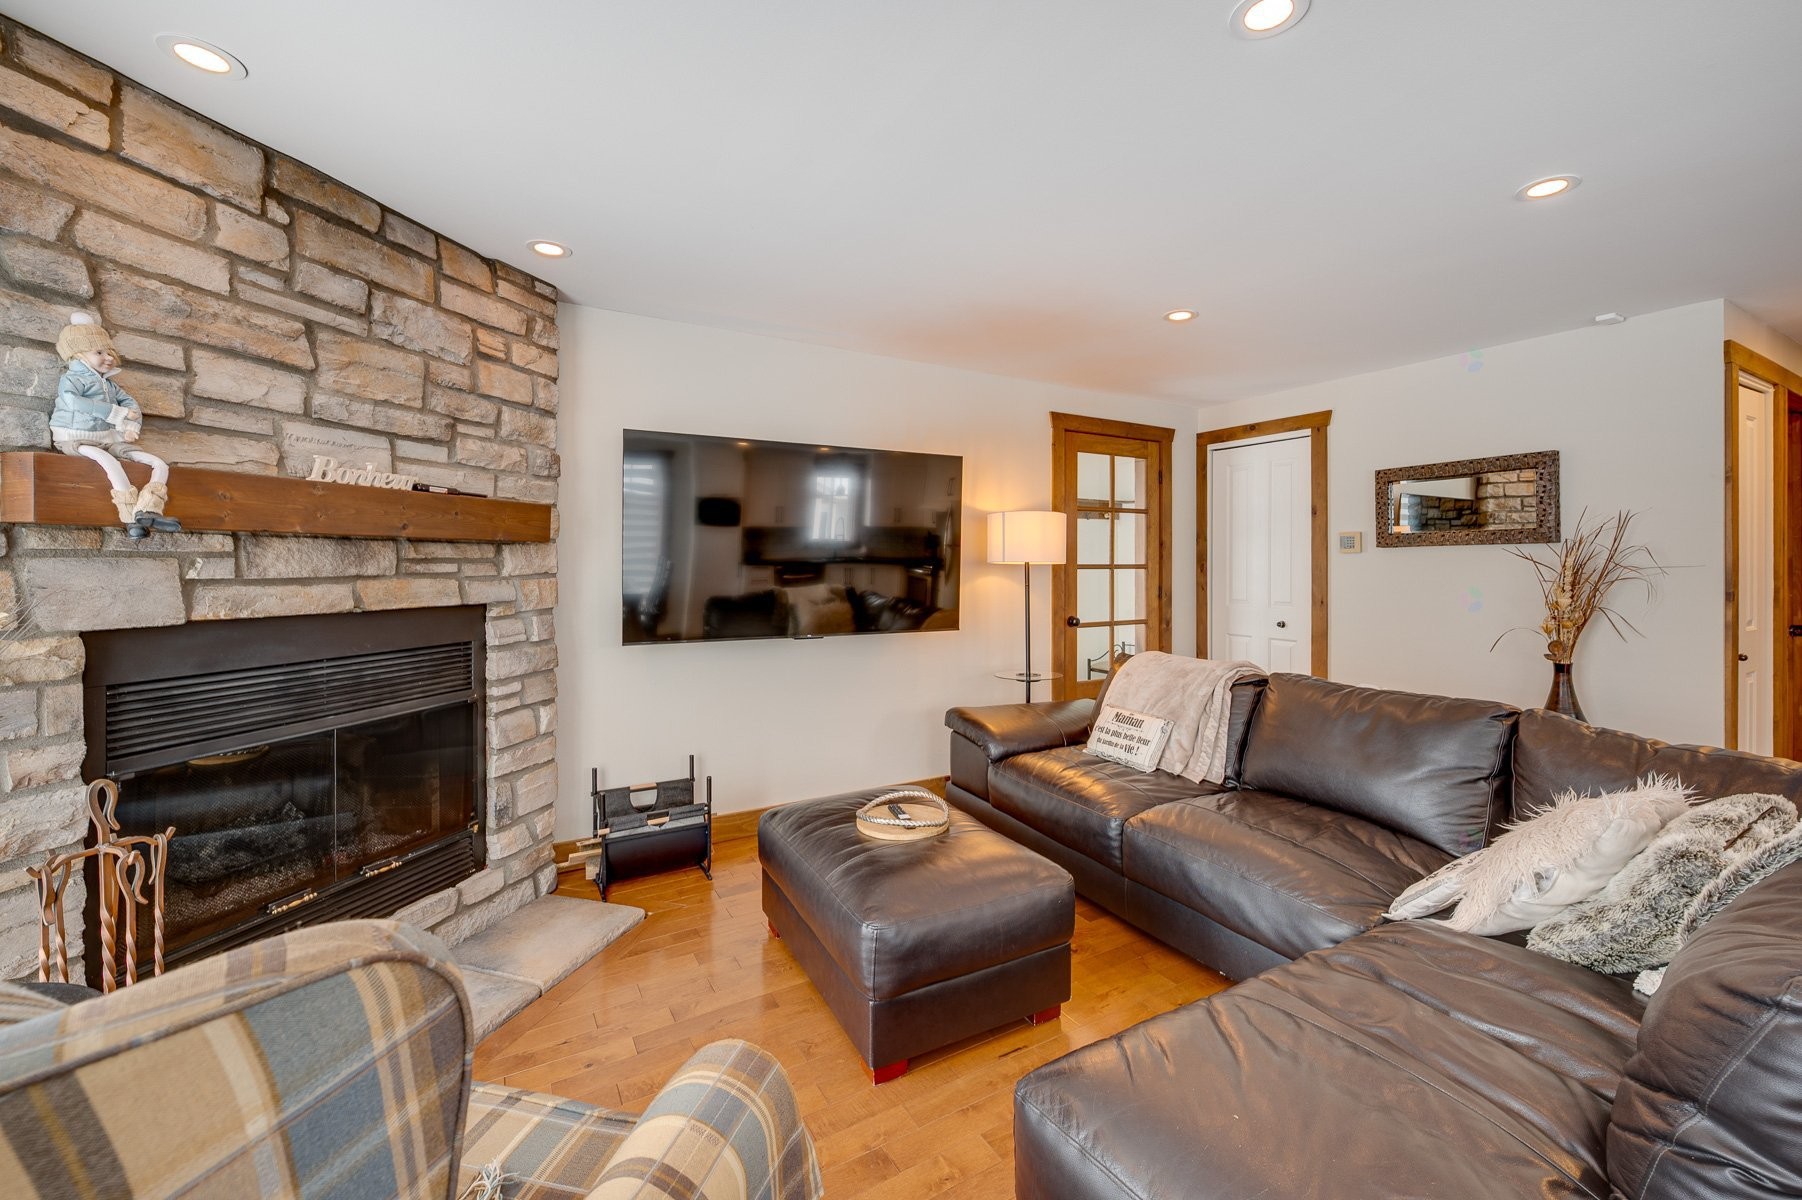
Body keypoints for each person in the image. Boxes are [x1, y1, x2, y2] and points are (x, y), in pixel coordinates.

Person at [52, 314, 180, 539]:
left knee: (159, 464)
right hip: (74, 437)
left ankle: (148, 509)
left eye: (109, 352)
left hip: (109, 438)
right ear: (78, 354)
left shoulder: (109, 385)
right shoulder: (72, 379)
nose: (108, 357)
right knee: (108, 461)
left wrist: (131, 427)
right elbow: (73, 402)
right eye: (99, 352)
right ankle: (131, 518)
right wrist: (117, 413)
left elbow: (131, 405)